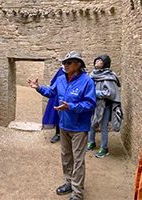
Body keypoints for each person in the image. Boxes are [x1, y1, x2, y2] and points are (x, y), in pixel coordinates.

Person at [28, 51, 96, 200]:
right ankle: (68, 182)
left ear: (78, 64)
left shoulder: (87, 81)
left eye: (69, 62)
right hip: (64, 125)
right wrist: (39, 88)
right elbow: (51, 92)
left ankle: (77, 193)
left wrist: (70, 106)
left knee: (78, 160)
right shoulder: (60, 79)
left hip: (79, 127)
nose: (65, 65)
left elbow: (90, 104)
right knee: (66, 156)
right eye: (64, 63)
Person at [87, 54, 121, 158]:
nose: (97, 63)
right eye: (96, 61)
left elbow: (110, 93)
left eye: (100, 62)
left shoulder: (109, 77)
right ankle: (91, 142)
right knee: (91, 123)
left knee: (103, 127)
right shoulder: (92, 74)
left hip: (104, 105)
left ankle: (104, 147)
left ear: (105, 64)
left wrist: (95, 93)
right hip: (93, 104)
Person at [42, 65, 65, 143]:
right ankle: (58, 133)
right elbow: (53, 84)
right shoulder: (61, 72)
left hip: (72, 101)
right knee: (57, 115)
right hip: (59, 97)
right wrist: (39, 88)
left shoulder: (82, 76)